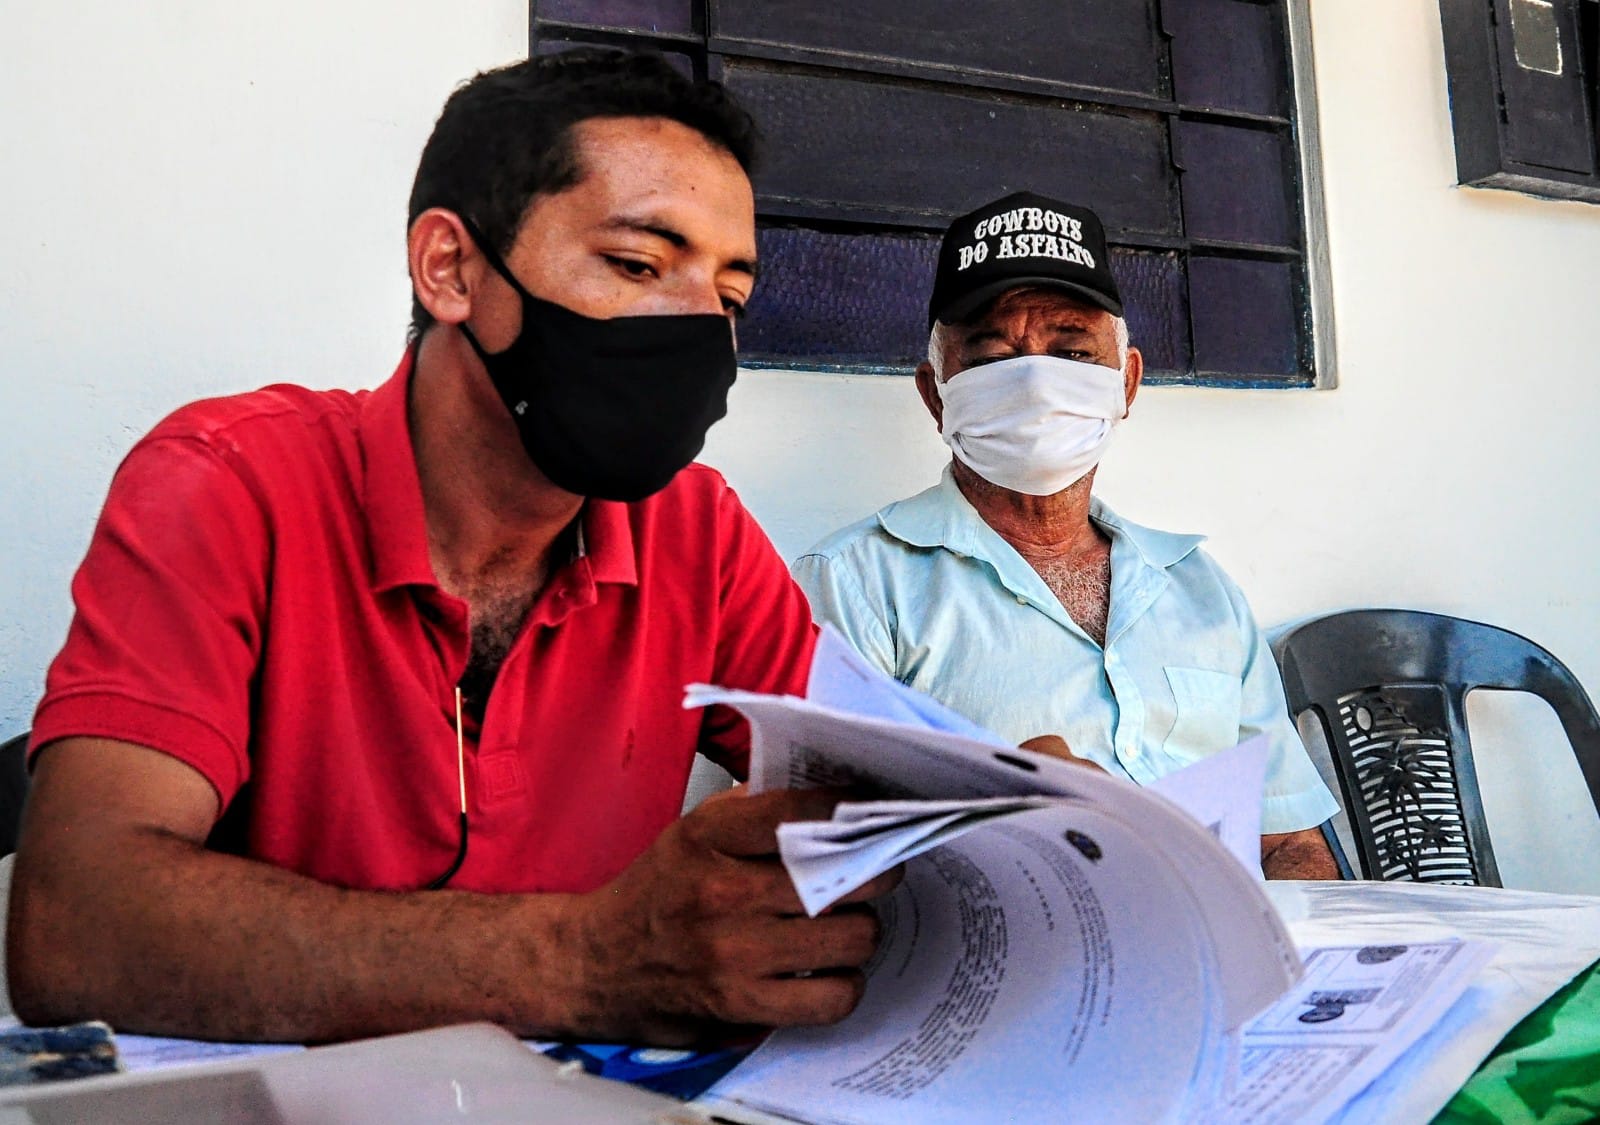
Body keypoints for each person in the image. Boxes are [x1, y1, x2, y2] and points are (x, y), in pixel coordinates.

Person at [8, 49, 897, 1046]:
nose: (699, 334)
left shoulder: (697, 533)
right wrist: (582, 958)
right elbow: (74, 929)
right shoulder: (227, 485)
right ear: (451, 268)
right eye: (640, 266)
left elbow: (881, 777)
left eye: (728, 298)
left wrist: (1024, 810)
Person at [792, 191, 1340, 880]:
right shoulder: (856, 583)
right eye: (992, 358)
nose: (1035, 384)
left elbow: (1288, 840)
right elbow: (822, 858)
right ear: (936, 394)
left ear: (1127, 383)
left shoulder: (1201, 590)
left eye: (1073, 352)